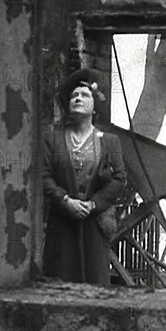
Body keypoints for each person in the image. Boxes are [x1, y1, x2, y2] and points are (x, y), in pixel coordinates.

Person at [42, 67, 126, 285]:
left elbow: (119, 178)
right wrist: (64, 200)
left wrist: (93, 204)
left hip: (94, 228)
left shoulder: (109, 141)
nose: (77, 98)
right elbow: (43, 175)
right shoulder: (53, 139)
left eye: (84, 95)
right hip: (62, 226)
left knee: (95, 288)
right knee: (59, 287)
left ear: (95, 105)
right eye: (73, 95)